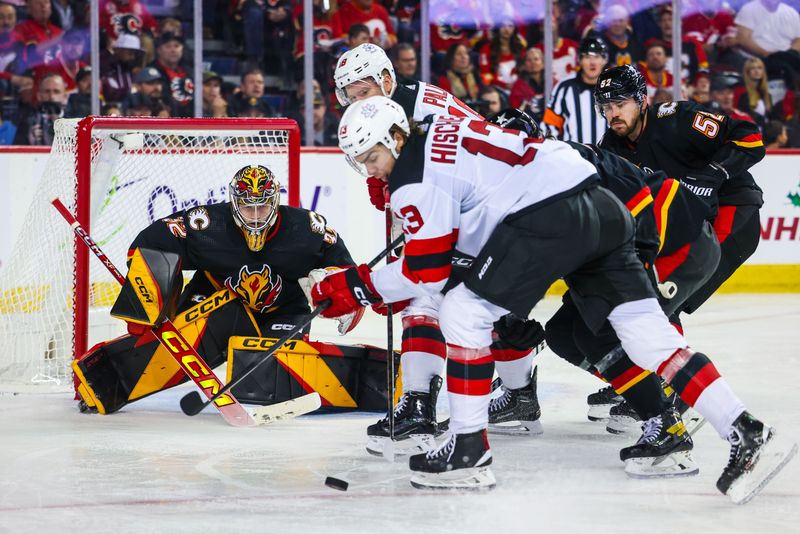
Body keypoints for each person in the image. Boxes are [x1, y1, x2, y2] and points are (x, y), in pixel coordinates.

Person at [314, 95, 796, 499]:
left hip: (548, 218)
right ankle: (744, 428)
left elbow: (426, 269)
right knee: (645, 335)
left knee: (463, 312)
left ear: (397, 137)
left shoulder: (411, 177)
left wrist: (354, 286)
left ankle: (468, 450)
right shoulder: (444, 131)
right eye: (360, 163)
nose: (370, 171)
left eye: (372, 158)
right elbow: (464, 238)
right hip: (599, 206)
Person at [73, 165, 360, 417]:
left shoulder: (305, 228)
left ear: (276, 203)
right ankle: (102, 382)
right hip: (217, 300)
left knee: (275, 375)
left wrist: (348, 301)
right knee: (180, 340)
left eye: (263, 207)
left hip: (283, 309)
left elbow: (340, 262)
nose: (256, 216)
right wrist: (146, 297)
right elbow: (150, 242)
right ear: (234, 204)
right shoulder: (207, 223)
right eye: (249, 207)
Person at [334, 42, 492, 456]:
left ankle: (422, 407)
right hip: (476, 206)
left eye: (362, 92)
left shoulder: (416, 115)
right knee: (432, 298)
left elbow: (437, 180)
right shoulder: (401, 105)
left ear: (386, 79)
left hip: (481, 212)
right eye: (350, 97)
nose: (357, 103)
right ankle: (428, 403)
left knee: (430, 295)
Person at [596, 65, 767, 338]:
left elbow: (750, 137)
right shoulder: (611, 150)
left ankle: (664, 376)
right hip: (687, 219)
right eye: (605, 106)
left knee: (660, 295)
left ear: (642, 100)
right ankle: (651, 376)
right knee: (647, 291)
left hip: (731, 209)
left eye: (620, 103)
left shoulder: (677, 119)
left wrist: (713, 174)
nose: (613, 113)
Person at [542, 36, 608, 143]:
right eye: (587, 57)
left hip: (607, 158)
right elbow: (549, 126)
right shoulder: (564, 88)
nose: (592, 62)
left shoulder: (615, 87)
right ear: (579, 60)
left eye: (597, 57)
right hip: (573, 157)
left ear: (605, 60)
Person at [13, 70, 65, 144]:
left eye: (56, 91)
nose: (51, 96)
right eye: (47, 91)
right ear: (39, 96)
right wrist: (29, 139)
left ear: (64, 96)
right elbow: (16, 150)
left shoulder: (76, 121)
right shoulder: (26, 121)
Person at [147, 31, 193, 117]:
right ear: (159, 50)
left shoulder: (190, 73)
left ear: (182, 49)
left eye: (177, 46)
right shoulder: (150, 73)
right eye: (168, 46)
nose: (173, 50)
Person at [509, 47, 546, 122]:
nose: (533, 63)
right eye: (529, 60)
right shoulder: (518, 86)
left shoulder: (552, 82)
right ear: (524, 64)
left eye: (536, 59)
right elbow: (517, 110)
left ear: (543, 63)